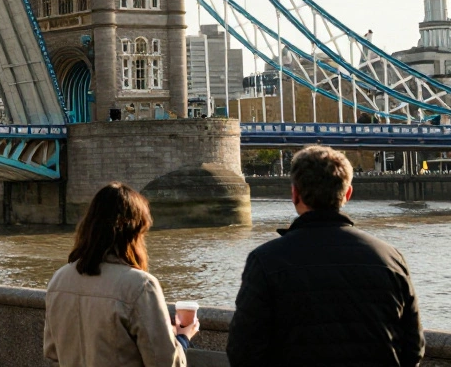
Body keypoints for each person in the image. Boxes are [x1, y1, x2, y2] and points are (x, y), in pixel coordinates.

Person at [227, 145, 423, 367]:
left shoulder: (265, 261)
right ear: (348, 193)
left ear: (294, 193)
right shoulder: (391, 259)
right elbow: (413, 347)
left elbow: (242, 352)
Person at [43, 183, 196, 367]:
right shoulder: (140, 286)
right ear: (134, 233)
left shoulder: (59, 279)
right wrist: (182, 338)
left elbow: (52, 354)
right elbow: (165, 363)